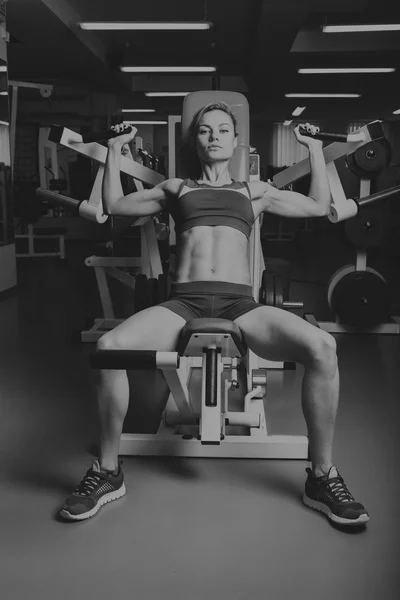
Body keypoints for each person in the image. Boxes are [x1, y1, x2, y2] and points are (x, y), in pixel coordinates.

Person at [60, 102, 369, 526]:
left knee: (323, 347)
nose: (214, 136)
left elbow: (317, 207)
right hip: (181, 302)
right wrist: (115, 149)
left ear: (235, 140)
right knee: (109, 347)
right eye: (205, 131)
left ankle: (321, 476)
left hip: (240, 304)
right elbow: (114, 204)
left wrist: (314, 149)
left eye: (223, 130)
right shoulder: (174, 189)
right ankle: (108, 471)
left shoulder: (253, 191)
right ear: (197, 141)